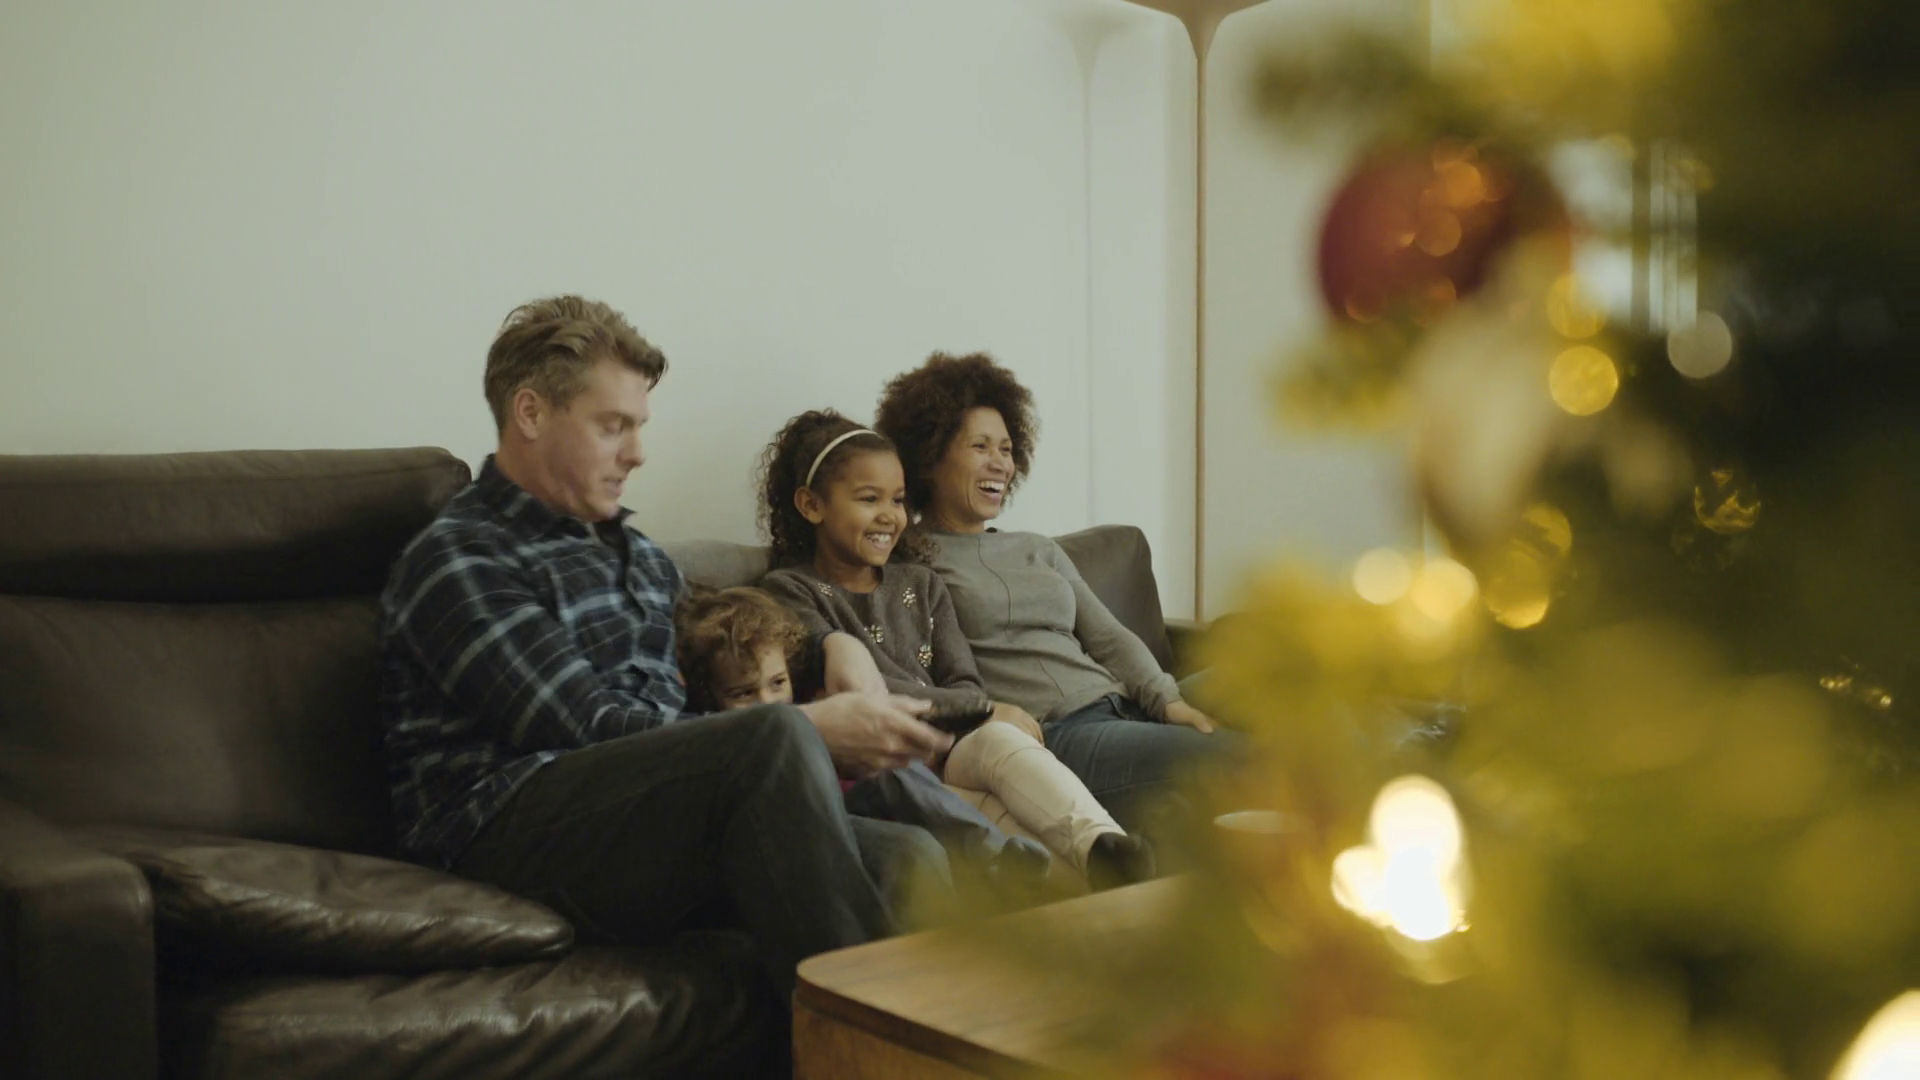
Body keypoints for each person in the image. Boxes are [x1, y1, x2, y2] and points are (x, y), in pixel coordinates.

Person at [377, 296, 953, 1010]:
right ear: (530, 414)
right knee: (769, 738)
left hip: (651, 820)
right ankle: (884, 1051)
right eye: (612, 426)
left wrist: (834, 645)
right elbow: (589, 729)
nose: (638, 453)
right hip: (501, 836)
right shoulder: (461, 559)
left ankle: (896, 1044)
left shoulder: (641, 560)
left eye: (639, 427)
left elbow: (730, 654)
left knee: (907, 858)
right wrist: (806, 729)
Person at [754, 409, 1156, 889]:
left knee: (1001, 740)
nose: (889, 515)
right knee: (998, 825)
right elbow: (865, 690)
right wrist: (977, 709)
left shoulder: (922, 583)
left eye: (898, 500)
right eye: (868, 498)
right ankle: (1096, 889)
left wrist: (975, 712)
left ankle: (1104, 844)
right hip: (888, 770)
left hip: (955, 747)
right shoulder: (787, 591)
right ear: (811, 505)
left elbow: (966, 683)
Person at [873, 352, 1231, 844]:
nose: (1000, 462)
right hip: (1062, 736)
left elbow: (1107, 637)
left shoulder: (1035, 547)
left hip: (1129, 704)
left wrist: (1168, 701)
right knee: (1247, 758)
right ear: (929, 459)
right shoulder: (909, 562)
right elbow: (908, 672)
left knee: (1277, 680)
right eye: (980, 446)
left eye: (1006, 448)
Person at [674, 584, 1055, 897]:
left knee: (892, 766)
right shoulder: (707, 736)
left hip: (863, 793)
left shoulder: (808, 698)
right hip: (810, 810)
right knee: (909, 842)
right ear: (709, 694)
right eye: (743, 693)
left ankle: (996, 858)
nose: (768, 703)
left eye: (777, 683)